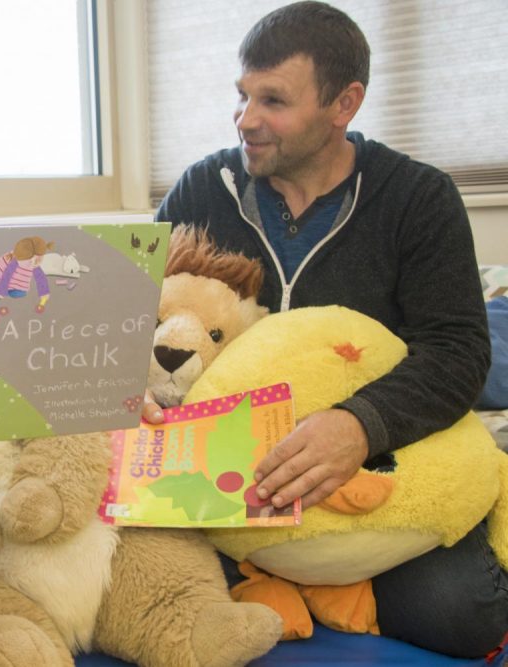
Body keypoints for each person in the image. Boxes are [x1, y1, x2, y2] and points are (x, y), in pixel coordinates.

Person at [149, 1, 506, 658]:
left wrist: (358, 423)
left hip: (373, 458)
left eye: (274, 101)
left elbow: (458, 352)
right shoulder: (202, 188)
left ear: (344, 104)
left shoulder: (419, 200)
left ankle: (294, 575)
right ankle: (298, 576)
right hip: (226, 457)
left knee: (462, 612)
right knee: (130, 566)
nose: (246, 120)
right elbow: (142, 315)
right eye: (242, 95)